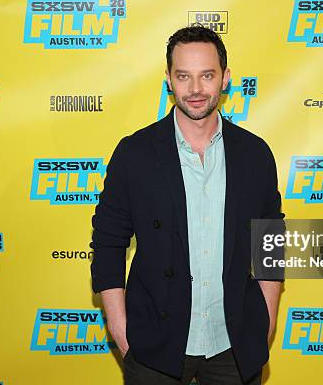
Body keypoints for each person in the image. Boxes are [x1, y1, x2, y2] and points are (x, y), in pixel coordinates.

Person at [90, 25, 284, 385]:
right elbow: (108, 242)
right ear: (168, 80)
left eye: (207, 75)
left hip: (234, 345)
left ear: (225, 78)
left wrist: (267, 320)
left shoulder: (254, 154)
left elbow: (270, 239)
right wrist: (119, 328)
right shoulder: (135, 153)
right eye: (184, 76)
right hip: (154, 346)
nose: (195, 90)